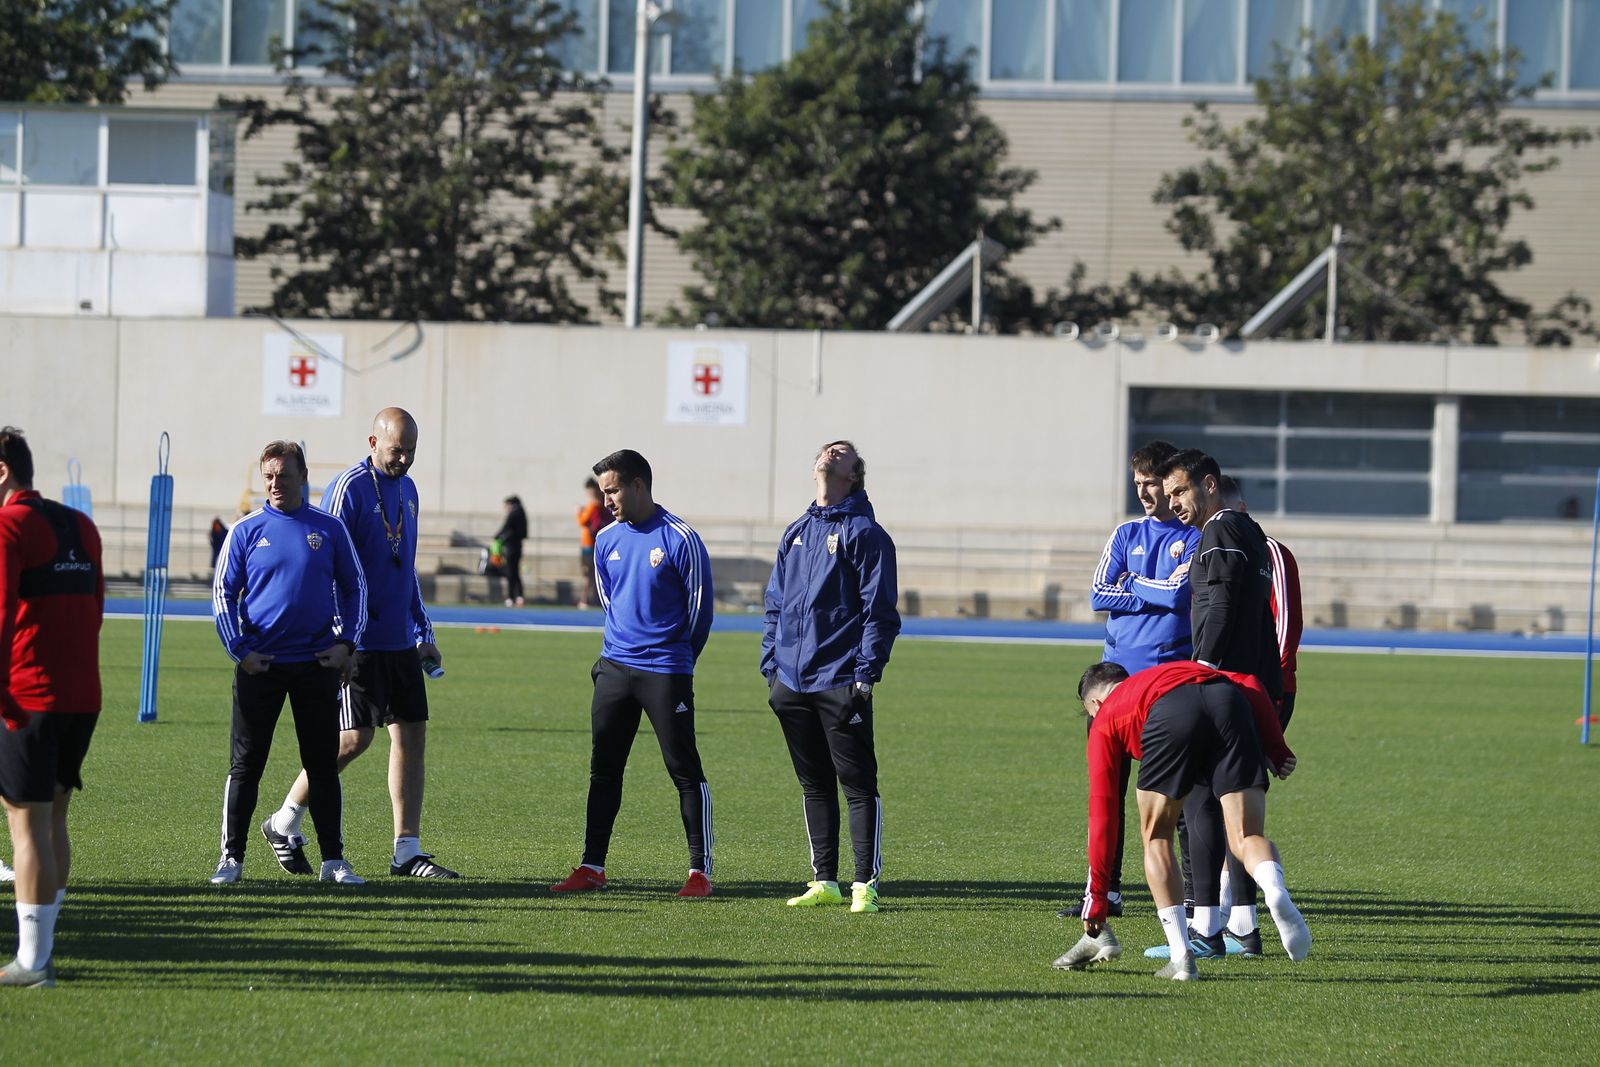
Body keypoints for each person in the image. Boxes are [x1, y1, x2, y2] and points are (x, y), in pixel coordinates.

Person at [263, 408, 457, 880]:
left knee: (411, 733)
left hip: (398, 641)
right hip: (358, 639)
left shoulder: (408, 490)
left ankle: (406, 851)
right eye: (397, 450)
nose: (405, 459)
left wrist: (423, 632)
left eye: (412, 449)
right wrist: (341, 638)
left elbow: (403, 566)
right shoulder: (349, 487)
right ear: (374, 441)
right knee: (352, 739)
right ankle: (283, 821)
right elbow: (325, 561)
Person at [1054, 661, 1311, 981]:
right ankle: (1274, 889)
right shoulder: (1168, 670)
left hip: (1168, 715)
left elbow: (1103, 814)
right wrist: (1276, 746)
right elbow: (1249, 682)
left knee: (1157, 837)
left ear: (1095, 703)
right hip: (1229, 702)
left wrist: (1096, 901)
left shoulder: (1106, 716)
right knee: (1245, 836)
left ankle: (1181, 956)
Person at [549, 450, 716, 898]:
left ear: (639, 485)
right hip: (615, 669)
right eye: (603, 492)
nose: (607, 501)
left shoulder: (681, 538)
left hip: (665, 671)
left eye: (613, 490)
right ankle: (592, 866)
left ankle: (700, 872)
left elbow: (700, 613)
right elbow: (611, 599)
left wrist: (677, 663)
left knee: (683, 769)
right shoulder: (606, 540)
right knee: (604, 769)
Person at [209, 441, 367, 886]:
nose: (276, 483)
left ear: (303, 476)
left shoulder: (329, 529)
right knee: (247, 765)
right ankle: (231, 858)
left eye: (284, 474)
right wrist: (240, 650)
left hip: (316, 665)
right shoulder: (245, 530)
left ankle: (334, 861)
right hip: (261, 666)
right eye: (269, 476)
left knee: (321, 764)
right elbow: (223, 594)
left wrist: (348, 644)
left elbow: (356, 587)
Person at [1061, 439, 1199, 921]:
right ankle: (1104, 893)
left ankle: (1191, 896)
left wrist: (1132, 586)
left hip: (1164, 688)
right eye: (1136, 483)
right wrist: (1145, 593)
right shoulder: (1125, 534)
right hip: (1113, 687)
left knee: (1176, 800)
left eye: (1150, 483)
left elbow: (1180, 593)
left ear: (1169, 483)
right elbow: (1100, 592)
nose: (1142, 492)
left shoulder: (1194, 534)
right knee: (1106, 795)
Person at [762, 441, 900, 914]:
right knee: (813, 784)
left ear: (853, 475)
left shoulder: (865, 532)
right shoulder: (797, 531)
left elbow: (880, 611)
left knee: (858, 785)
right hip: (792, 682)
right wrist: (771, 666)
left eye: (842, 451)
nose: (830, 450)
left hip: (840, 679)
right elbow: (775, 603)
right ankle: (825, 880)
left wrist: (865, 675)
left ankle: (866, 884)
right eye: (826, 448)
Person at [1155, 448, 1282, 955]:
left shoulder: (1222, 530)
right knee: (1234, 811)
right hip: (1249, 684)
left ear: (1209, 484)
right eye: (1169, 496)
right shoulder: (1247, 529)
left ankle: (1208, 930)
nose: (1175, 504)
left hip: (1225, 683)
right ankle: (1243, 929)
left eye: (1180, 492)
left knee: (1202, 803)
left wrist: (1202, 668)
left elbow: (1223, 602)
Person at [0, 427, 103, 988]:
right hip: (81, 695)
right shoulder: (82, 525)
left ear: (2, 471)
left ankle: (33, 962)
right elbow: (98, 609)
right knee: (54, 817)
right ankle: (43, 948)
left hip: (26, 696)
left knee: (27, 825)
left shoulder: (8, 526)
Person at [576, 478, 608, 609]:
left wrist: (579, 511)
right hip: (587, 544)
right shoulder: (596, 505)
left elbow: (582, 521)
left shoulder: (594, 506)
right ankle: (592, 598)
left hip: (590, 544)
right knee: (589, 574)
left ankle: (586, 600)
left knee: (589, 574)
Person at [495, 495, 527, 607]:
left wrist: (497, 537)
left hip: (512, 547)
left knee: (511, 572)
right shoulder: (522, 513)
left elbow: (506, 527)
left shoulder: (514, 514)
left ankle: (511, 596)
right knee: (515, 572)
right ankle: (519, 596)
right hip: (517, 547)